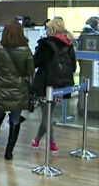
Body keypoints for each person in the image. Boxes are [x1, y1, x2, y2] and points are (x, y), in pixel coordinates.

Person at [0, 22, 35, 160]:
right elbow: (30, 71)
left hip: (0, 87)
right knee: (15, 120)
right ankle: (9, 152)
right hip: (18, 90)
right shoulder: (26, 50)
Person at [31, 18, 76, 153]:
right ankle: (37, 140)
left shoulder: (46, 45)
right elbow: (73, 66)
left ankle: (52, 143)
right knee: (48, 114)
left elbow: (36, 62)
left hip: (46, 85)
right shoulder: (69, 44)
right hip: (61, 86)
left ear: (51, 30)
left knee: (46, 115)